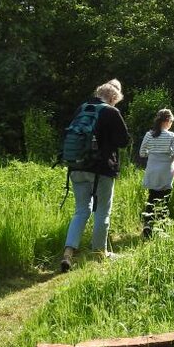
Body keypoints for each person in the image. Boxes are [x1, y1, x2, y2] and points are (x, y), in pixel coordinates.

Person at [61, 79, 130, 272]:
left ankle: (68, 252)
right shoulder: (111, 111)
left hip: (76, 167)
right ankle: (100, 253)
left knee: (81, 210)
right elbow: (124, 140)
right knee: (102, 212)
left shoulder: (82, 108)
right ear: (113, 97)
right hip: (101, 170)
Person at [139, 109, 174, 239]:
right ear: (167, 121)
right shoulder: (172, 136)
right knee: (164, 199)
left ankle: (147, 225)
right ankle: (161, 226)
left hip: (152, 170)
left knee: (151, 197)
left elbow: (142, 153)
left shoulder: (148, 134)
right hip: (166, 171)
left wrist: (152, 153)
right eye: (171, 122)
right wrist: (168, 154)